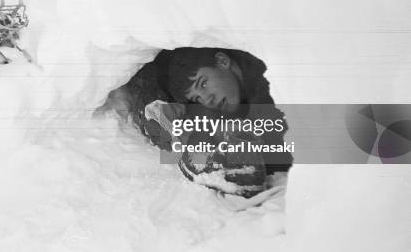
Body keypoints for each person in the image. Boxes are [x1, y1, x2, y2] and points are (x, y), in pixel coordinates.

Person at [100, 47, 293, 197]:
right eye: (197, 98)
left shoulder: (269, 80)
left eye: (204, 83)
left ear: (222, 61)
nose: (207, 99)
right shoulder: (224, 100)